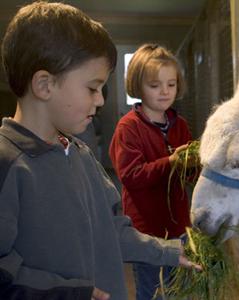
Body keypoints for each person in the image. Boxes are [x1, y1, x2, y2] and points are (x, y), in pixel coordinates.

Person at [0, 2, 200, 300]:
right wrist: (69, 293)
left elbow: (113, 231)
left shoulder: (81, 155)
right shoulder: (8, 164)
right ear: (44, 85)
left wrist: (170, 251)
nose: (101, 101)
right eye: (92, 88)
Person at [109, 44, 197, 300]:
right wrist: (172, 161)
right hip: (146, 230)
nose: (165, 91)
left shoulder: (179, 124)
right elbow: (131, 176)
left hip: (178, 224)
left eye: (171, 84)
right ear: (137, 85)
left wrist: (196, 164)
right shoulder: (128, 127)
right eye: (155, 85)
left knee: (178, 287)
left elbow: (188, 175)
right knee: (152, 290)